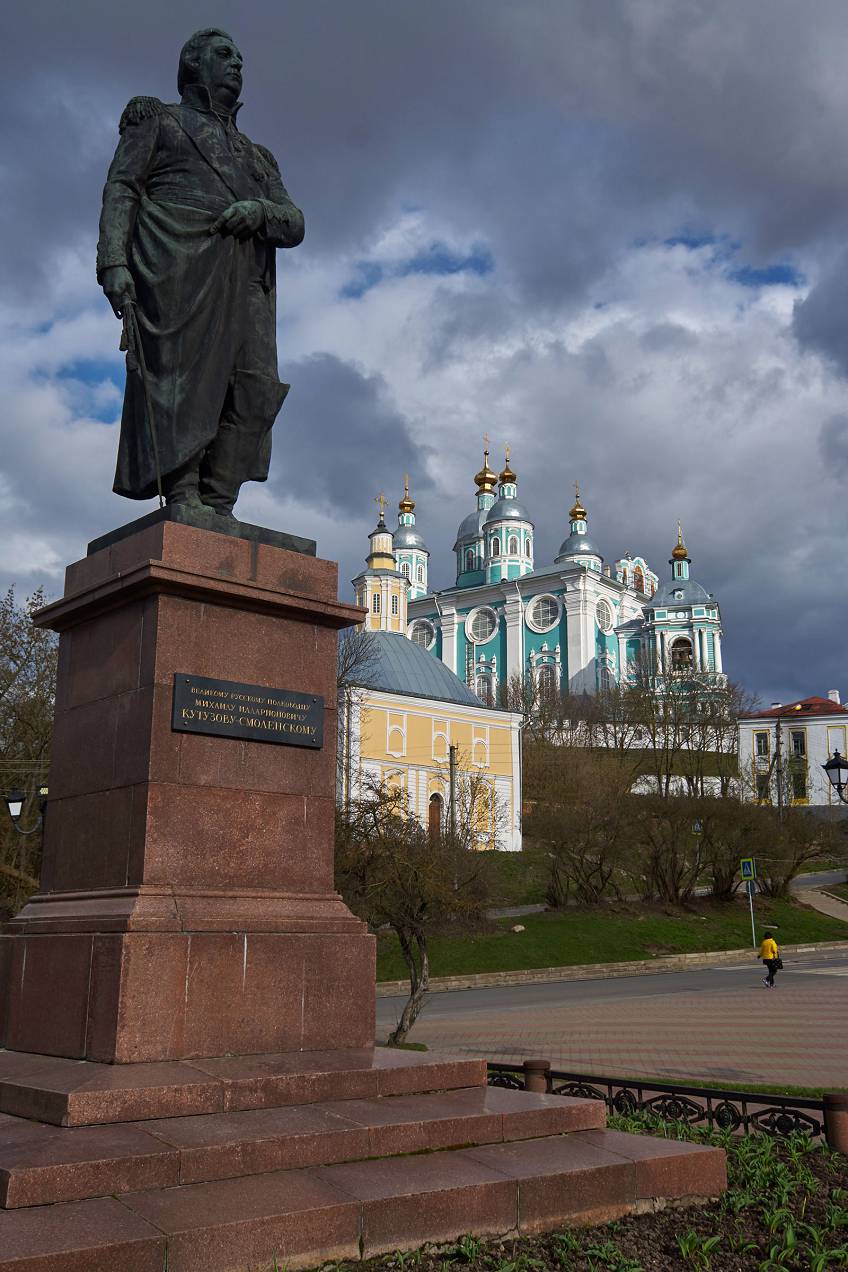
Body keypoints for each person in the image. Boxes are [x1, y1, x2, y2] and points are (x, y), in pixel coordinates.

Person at [97, 28, 304, 520]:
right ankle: (186, 489)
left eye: (239, 57)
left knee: (255, 387)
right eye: (223, 55)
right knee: (184, 380)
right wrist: (113, 262)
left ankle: (220, 497)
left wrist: (259, 211)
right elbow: (122, 187)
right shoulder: (160, 122)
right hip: (176, 265)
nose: (236, 64)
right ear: (192, 66)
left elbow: (294, 222)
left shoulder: (258, 156)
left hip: (246, 275)